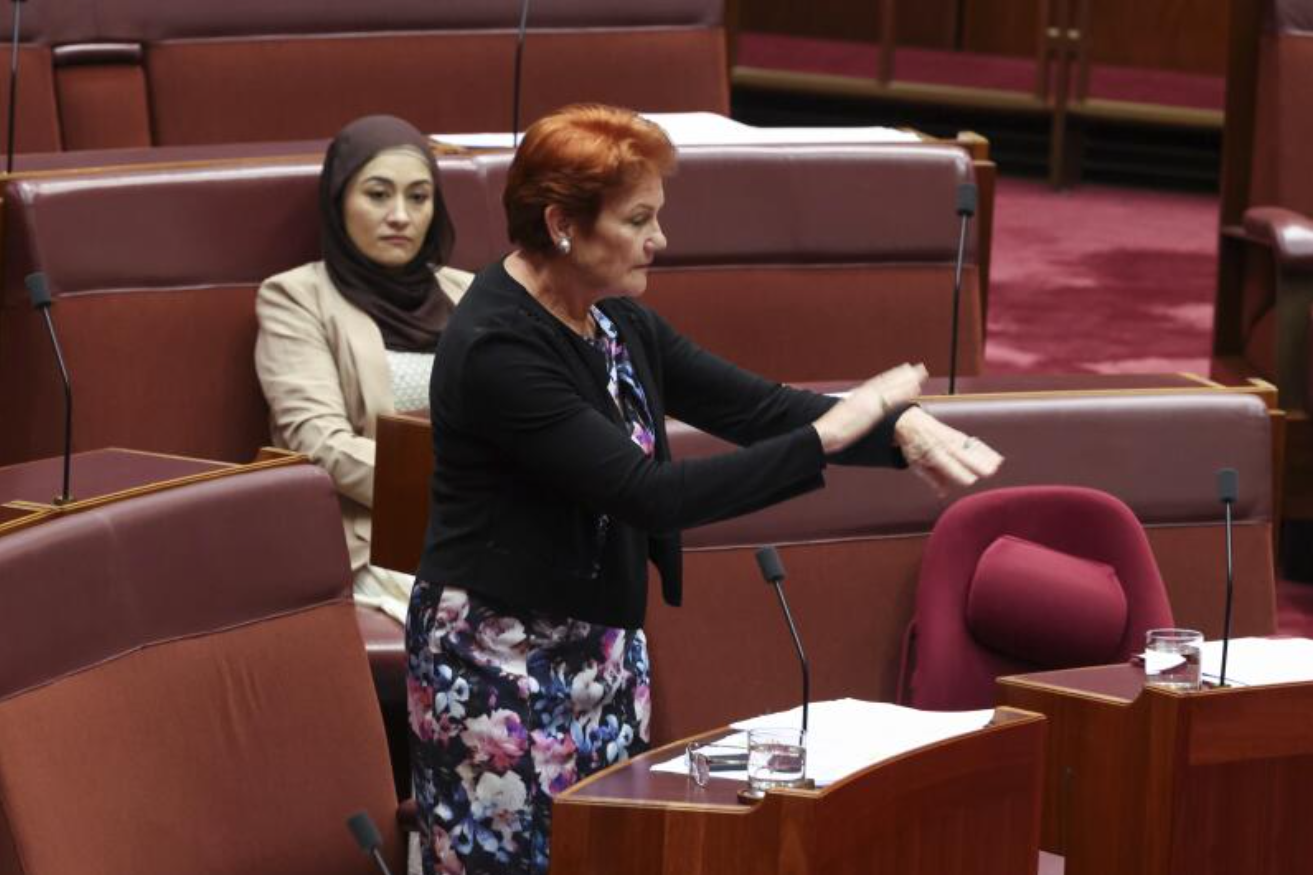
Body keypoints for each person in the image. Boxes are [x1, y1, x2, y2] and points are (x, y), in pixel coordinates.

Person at [406, 104, 1002, 875]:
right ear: (561, 223)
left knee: (607, 856)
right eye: (639, 218)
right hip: (497, 669)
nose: (660, 239)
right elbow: (648, 494)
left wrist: (899, 428)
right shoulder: (498, 345)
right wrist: (826, 435)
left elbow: (754, 407)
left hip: (600, 652)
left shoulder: (613, 320)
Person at [255, 115, 473, 623]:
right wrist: (456, 486)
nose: (400, 215)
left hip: (489, 521)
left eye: (418, 198)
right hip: (377, 533)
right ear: (339, 202)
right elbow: (315, 442)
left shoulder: (471, 293)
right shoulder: (296, 297)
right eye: (378, 195)